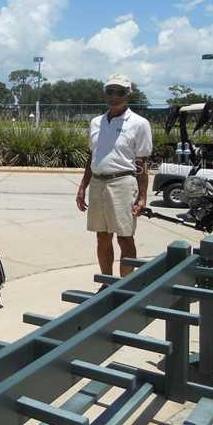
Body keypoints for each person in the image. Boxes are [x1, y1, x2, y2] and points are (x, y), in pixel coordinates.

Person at [76, 74, 152, 280]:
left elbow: (141, 163)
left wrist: (143, 196)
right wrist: (83, 186)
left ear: (128, 94)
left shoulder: (139, 123)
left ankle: (126, 285)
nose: (114, 96)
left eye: (119, 92)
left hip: (123, 183)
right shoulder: (96, 123)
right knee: (102, 237)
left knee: (125, 238)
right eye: (110, 91)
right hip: (98, 183)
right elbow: (92, 156)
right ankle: (107, 282)